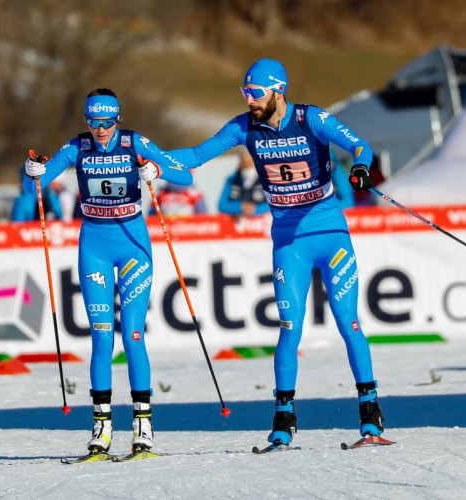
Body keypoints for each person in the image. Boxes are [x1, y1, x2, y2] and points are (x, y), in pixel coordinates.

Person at [148, 58, 386, 446]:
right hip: (289, 241)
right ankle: (283, 418)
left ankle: (370, 414)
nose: (249, 100)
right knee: (289, 327)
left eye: (254, 93)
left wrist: (360, 167)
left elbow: (360, 145)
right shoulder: (245, 127)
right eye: (244, 93)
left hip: (330, 236)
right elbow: (194, 156)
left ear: (278, 90)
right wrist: (150, 158)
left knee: (348, 322)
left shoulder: (312, 119)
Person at [23, 88, 192, 458]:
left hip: (133, 245)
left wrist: (156, 170)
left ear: (119, 118)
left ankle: (143, 427)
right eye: (94, 122)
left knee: (132, 335)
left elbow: (186, 177)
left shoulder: (135, 143)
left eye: (108, 121)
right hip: (94, 250)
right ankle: (101, 428)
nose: (101, 129)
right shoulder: (77, 148)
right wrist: (33, 171)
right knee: (101, 339)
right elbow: (31, 186)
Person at [218, 149, 269, 217]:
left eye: (250, 162)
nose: (248, 166)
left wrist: (255, 210)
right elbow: (222, 205)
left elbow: (276, 203)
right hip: (238, 223)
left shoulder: (268, 179)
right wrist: (240, 207)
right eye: (245, 163)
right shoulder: (232, 179)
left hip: (263, 223)